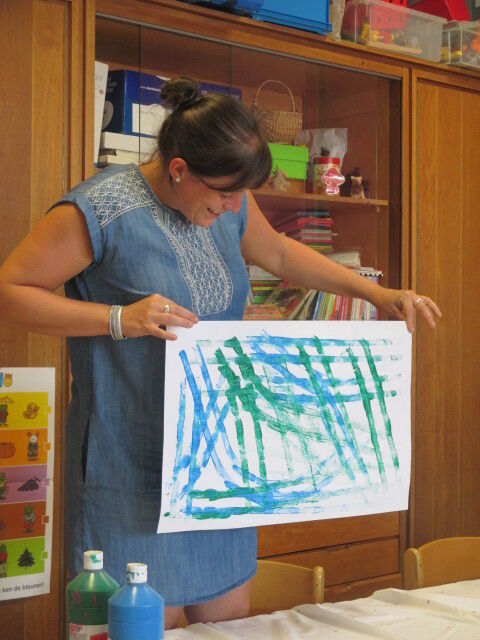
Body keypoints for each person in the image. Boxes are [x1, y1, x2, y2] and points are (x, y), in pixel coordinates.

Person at [0, 77, 441, 629]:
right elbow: (11, 292)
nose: (235, 208)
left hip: (218, 467)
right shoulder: (100, 209)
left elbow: (281, 253)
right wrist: (119, 318)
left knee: (231, 624)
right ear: (179, 169)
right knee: (145, 622)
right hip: (128, 464)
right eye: (224, 196)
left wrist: (378, 294)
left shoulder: (229, 198)